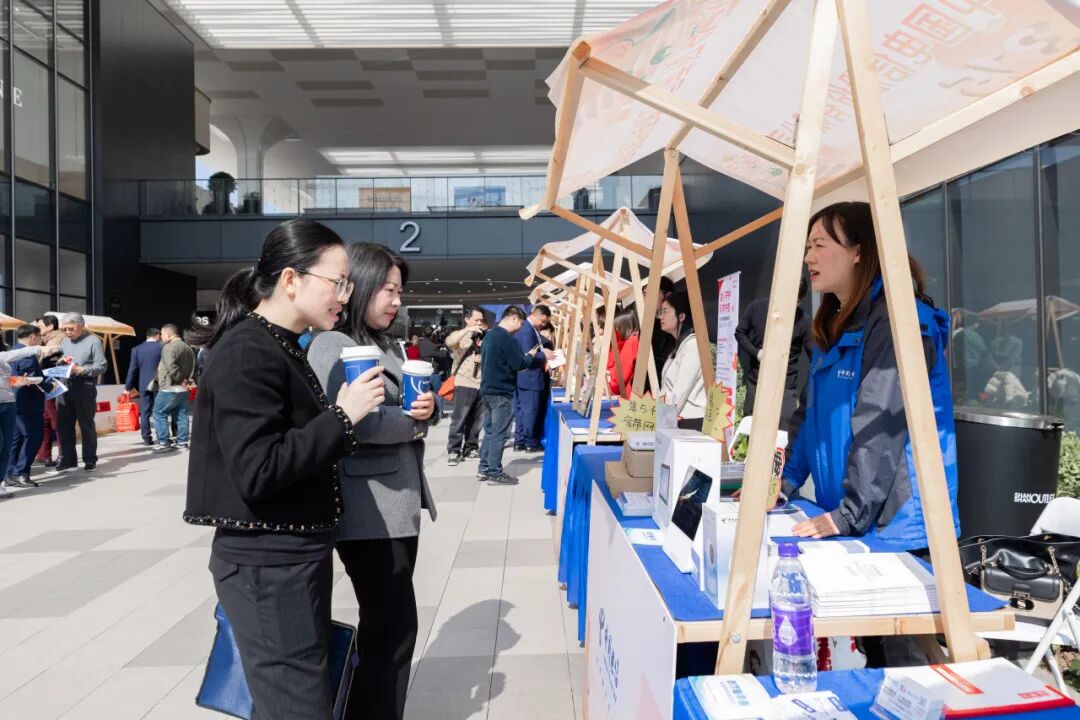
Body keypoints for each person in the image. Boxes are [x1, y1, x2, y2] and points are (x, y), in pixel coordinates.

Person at [185, 218, 385, 720]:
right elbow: (260, 467)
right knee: (298, 703)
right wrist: (344, 416)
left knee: (300, 691)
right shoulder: (247, 352)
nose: (346, 294)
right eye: (338, 282)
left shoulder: (280, 345)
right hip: (267, 564)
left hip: (287, 558)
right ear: (292, 280)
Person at [307, 242, 438, 720]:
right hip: (369, 510)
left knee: (389, 627)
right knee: (393, 629)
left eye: (399, 291)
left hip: (394, 507)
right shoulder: (333, 344)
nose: (396, 301)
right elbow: (358, 421)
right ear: (358, 284)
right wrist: (417, 422)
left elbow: (414, 398)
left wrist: (428, 408)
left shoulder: (384, 344)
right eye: (388, 289)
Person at [784, 201, 960, 549]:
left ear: (857, 252)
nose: (809, 258)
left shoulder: (898, 320)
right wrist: (784, 480)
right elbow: (810, 417)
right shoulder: (830, 325)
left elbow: (880, 423)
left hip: (897, 528)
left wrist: (848, 514)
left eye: (819, 245)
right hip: (846, 518)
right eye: (807, 247)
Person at [479, 307, 552, 484]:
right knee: (500, 433)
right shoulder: (507, 339)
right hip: (502, 391)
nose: (520, 327)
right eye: (520, 323)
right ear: (513, 318)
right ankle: (495, 471)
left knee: (489, 431)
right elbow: (519, 364)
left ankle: (483, 468)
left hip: (487, 389)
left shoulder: (490, 334)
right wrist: (533, 355)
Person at [735, 277, 813, 427]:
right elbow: (740, 332)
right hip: (756, 383)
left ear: (799, 301)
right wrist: (757, 353)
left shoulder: (804, 320)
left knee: (782, 437)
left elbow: (815, 355)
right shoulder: (756, 308)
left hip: (785, 388)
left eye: (794, 302)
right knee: (751, 432)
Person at [4, 325, 60, 492]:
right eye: (40, 337)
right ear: (32, 337)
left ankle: (10, 474)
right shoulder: (27, 355)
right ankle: (22, 473)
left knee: (17, 439)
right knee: (34, 436)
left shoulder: (12, 352)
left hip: (15, 401)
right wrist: (50, 384)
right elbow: (33, 378)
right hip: (29, 402)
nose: (42, 340)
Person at [56, 313, 107, 472]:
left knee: (86, 424)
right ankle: (68, 460)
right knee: (64, 425)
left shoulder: (93, 341)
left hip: (84, 385)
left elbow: (102, 365)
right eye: (64, 329)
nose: (67, 332)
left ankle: (90, 459)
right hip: (64, 385)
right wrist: (60, 362)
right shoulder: (64, 341)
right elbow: (62, 359)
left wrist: (82, 369)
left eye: (70, 329)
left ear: (81, 326)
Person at [445, 307, 487, 466]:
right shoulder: (460, 336)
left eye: (481, 320)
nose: (479, 323)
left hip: (481, 383)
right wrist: (468, 330)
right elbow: (449, 342)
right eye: (476, 320)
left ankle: (471, 447)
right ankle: (454, 450)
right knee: (459, 418)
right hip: (464, 382)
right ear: (467, 319)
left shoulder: (485, 336)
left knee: (477, 419)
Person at [659, 292, 706, 430]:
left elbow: (680, 392)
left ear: (682, 316)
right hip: (676, 419)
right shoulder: (680, 345)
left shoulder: (692, 345)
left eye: (665, 311)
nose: (661, 316)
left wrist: (662, 421)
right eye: (660, 312)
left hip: (689, 422)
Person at [513, 304, 552, 452]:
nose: (543, 325)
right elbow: (528, 354)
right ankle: (530, 442)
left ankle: (520, 440)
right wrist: (545, 354)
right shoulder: (526, 331)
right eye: (542, 321)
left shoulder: (531, 329)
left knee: (522, 411)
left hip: (524, 377)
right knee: (530, 411)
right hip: (529, 376)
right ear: (533, 315)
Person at [152, 324, 196, 452]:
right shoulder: (188, 347)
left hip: (169, 387)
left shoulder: (169, 347)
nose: (161, 337)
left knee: (159, 413)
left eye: (162, 334)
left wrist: (180, 379)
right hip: (184, 388)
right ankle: (182, 442)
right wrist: (187, 381)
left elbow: (171, 366)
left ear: (169, 334)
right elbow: (195, 366)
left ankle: (164, 442)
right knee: (182, 414)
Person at [125, 328, 163, 447]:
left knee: (145, 412)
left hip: (144, 384)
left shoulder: (136, 349)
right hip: (159, 383)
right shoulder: (162, 348)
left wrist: (128, 387)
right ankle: (162, 437)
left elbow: (133, 369)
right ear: (157, 336)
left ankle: (147, 438)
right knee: (159, 411)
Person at [34, 315, 63, 467]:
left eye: (40, 327)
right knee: (45, 419)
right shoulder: (43, 341)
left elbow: (44, 355)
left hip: (55, 384)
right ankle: (44, 455)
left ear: (50, 326)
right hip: (43, 384)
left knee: (56, 419)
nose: (38, 330)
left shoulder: (60, 338)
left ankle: (63, 454)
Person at [608, 306, 641, 399]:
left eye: (618, 329)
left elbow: (621, 374)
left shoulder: (631, 342)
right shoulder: (636, 339)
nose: (617, 332)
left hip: (630, 394)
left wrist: (610, 387)